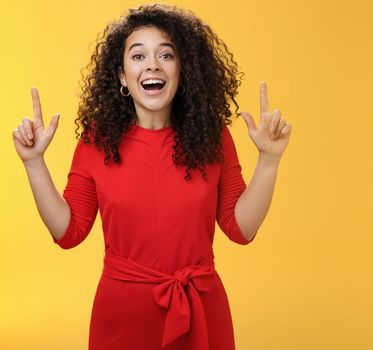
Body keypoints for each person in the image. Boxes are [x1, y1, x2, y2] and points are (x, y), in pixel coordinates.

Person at [12, 4, 291, 349]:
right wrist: (33, 162)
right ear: (121, 75)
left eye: (166, 55)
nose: (152, 65)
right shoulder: (96, 142)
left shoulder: (212, 137)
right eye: (138, 55)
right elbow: (69, 232)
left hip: (202, 308)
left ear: (183, 70)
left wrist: (269, 160)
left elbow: (241, 229)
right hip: (122, 317)